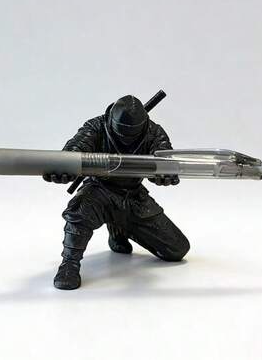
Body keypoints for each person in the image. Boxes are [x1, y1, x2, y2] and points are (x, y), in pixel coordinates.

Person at [43, 95, 190, 290]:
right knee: (79, 212)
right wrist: (64, 167)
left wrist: (164, 174)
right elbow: (76, 148)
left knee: (177, 249)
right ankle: (69, 264)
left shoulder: (154, 132)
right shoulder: (96, 126)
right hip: (100, 188)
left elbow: (163, 158)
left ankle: (120, 227)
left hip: (133, 195)